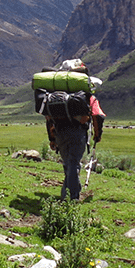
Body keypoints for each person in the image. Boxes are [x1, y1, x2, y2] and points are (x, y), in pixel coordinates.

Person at [40, 61, 106, 201]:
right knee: (74, 164)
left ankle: (68, 195)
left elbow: (49, 119)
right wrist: (97, 135)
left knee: (68, 164)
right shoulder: (86, 96)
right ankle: (72, 200)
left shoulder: (56, 96)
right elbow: (98, 116)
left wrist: (52, 139)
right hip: (77, 133)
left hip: (59, 132)